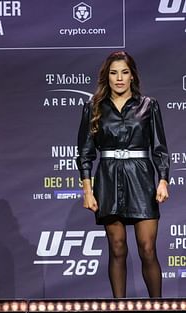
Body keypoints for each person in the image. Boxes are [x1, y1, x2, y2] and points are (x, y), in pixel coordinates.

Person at [76, 51, 169, 298]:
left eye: (124, 72)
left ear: (132, 76)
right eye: (114, 73)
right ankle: (119, 306)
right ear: (106, 77)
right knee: (117, 248)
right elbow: (85, 153)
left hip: (141, 180)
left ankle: (157, 305)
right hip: (108, 179)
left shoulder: (148, 105)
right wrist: (87, 191)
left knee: (147, 248)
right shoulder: (93, 107)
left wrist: (162, 180)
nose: (119, 78)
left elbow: (159, 147)